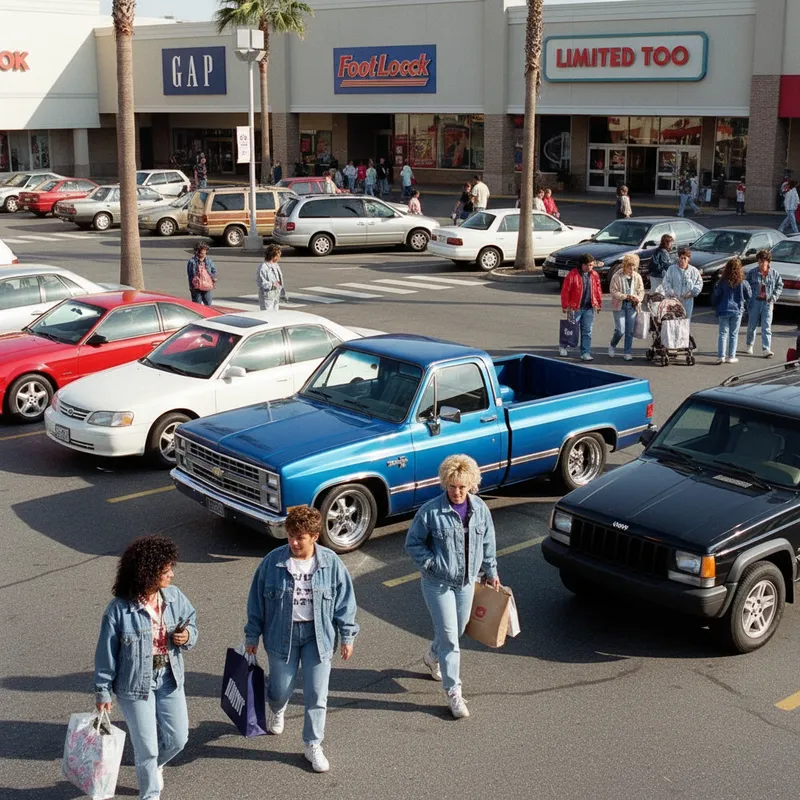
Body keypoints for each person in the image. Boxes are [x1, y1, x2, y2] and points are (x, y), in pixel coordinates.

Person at [245, 506, 358, 773]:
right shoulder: (272, 563)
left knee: (317, 694)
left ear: (315, 537)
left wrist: (347, 636)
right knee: (280, 688)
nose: (294, 542)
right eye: (291, 536)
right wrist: (252, 635)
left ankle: (312, 744)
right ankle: (277, 707)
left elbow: (345, 602)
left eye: (300, 537)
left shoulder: (331, 564)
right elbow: (256, 602)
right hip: (280, 636)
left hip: (317, 637)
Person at [94, 536, 197, 800]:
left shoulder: (174, 597)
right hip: (134, 685)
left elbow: (191, 622)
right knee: (147, 748)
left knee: (178, 739)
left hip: (169, 678)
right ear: (147, 572)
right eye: (166, 570)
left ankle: (154, 765)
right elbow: (106, 654)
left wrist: (188, 637)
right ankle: (149, 793)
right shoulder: (118, 610)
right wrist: (103, 692)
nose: (172, 575)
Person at [404, 454, 499, 720]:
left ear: (471, 485)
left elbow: (488, 543)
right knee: (450, 638)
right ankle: (454, 691)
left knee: (457, 630)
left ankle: (432, 655)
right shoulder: (431, 511)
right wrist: (433, 564)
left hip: (467, 582)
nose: (457, 492)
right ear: (445, 483)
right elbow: (413, 544)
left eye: (462, 486)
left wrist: (491, 572)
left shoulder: (480, 509)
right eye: (452, 486)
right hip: (437, 583)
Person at [560, 253, 603, 361]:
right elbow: (566, 290)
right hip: (575, 307)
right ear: (582, 264)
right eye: (588, 265)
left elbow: (597, 290)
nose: (590, 267)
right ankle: (563, 346)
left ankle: (585, 352)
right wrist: (565, 305)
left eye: (592, 265)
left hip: (589, 307)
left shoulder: (594, 275)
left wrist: (598, 303)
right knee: (571, 329)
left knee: (587, 330)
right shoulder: (573, 274)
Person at [712, 257, 751, 364]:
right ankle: (731, 356)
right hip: (737, 310)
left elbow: (716, 295)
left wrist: (715, 304)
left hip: (724, 309)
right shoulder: (742, 282)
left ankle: (721, 356)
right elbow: (749, 295)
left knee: (723, 333)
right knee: (733, 334)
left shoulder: (722, 282)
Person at [745, 249, 784, 358]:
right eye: (759, 261)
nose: (761, 263)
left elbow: (779, 285)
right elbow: (746, 286)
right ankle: (749, 344)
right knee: (752, 325)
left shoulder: (774, 273)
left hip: (767, 302)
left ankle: (766, 349)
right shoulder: (752, 273)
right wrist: (748, 299)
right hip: (755, 302)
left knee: (766, 326)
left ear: (768, 262)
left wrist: (774, 297)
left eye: (763, 261)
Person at [608, 253, 645, 361]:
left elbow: (641, 291)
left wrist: (637, 299)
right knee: (620, 330)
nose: (631, 268)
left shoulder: (637, 277)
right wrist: (625, 296)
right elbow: (613, 290)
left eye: (633, 265)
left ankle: (627, 352)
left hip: (632, 306)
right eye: (629, 265)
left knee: (630, 331)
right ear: (625, 265)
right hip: (619, 304)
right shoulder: (617, 276)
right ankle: (612, 345)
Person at [662, 247, 702, 318]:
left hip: (687, 302)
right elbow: (666, 282)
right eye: (681, 258)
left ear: (688, 259)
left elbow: (699, 284)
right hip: (674, 301)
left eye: (684, 258)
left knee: (685, 321)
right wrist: (671, 292)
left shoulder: (694, 271)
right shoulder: (672, 269)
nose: (682, 260)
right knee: (674, 321)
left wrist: (692, 293)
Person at [256, 243, 286, 311]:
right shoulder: (263, 267)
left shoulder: (276, 265)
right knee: (268, 315)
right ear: (273, 256)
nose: (279, 258)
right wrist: (274, 285)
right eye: (278, 256)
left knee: (275, 314)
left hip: (276, 294)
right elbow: (261, 283)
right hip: (267, 296)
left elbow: (279, 278)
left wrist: (281, 290)